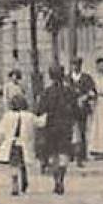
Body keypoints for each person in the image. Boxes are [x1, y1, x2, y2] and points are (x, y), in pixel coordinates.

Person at [36, 64, 78, 195]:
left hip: (51, 127)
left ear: (50, 76)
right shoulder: (69, 91)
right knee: (64, 153)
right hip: (66, 126)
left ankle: (56, 181)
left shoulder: (46, 92)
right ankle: (61, 177)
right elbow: (76, 109)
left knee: (53, 154)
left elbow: (40, 111)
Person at [0, 92, 40, 196]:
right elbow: (40, 122)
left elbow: (1, 131)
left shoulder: (7, 116)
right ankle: (24, 181)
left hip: (12, 143)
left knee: (14, 164)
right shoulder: (29, 116)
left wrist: (0, 140)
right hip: (24, 143)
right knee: (23, 163)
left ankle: (15, 182)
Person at [69, 56, 94, 166]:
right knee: (70, 131)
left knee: (82, 131)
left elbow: (93, 92)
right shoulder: (67, 78)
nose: (75, 67)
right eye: (73, 64)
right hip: (70, 108)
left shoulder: (86, 78)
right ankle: (71, 154)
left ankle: (82, 154)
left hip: (82, 108)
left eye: (77, 64)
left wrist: (85, 97)